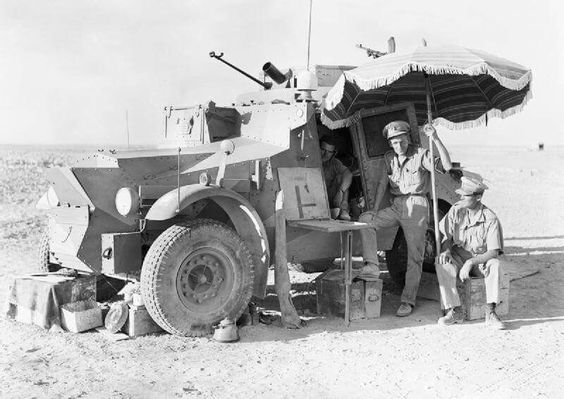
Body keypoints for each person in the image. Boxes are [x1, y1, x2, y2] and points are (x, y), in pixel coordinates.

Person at [359, 120, 452, 316]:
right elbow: (383, 184)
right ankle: (372, 266)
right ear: (390, 144)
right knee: (366, 220)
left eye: (401, 141)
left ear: (408, 139)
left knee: (414, 257)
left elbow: (446, 165)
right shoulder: (389, 158)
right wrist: (374, 210)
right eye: (394, 143)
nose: (398, 146)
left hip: (417, 206)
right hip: (397, 206)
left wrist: (435, 138)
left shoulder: (420, 155)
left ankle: (407, 301)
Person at [436, 176, 506, 330]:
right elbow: (447, 237)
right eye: (460, 194)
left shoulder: (490, 218)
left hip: (481, 260)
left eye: (465, 195)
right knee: (441, 262)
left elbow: (493, 252)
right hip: (459, 256)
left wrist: (470, 263)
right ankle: (455, 311)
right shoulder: (456, 209)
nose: (460, 198)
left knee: (495, 265)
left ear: (478, 197)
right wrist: (446, 251)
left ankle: (491, 312)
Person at [320, 136, 353, 221]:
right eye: (323, 149)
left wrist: (341, 191)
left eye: (329, 152)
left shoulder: (334, 162)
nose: (325, 154)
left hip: (329, 198)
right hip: (313, 196)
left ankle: (343, 210)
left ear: (333, 153)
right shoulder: (310, 160)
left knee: (341, 178)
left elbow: (348, 174)